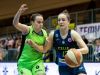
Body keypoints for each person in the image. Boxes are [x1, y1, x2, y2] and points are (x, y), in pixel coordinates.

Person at [26, 10, 89, 75]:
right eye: (59, 20)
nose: (61, 22)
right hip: (63, 66)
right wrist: (33, 45)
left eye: (63, 20)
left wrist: (74, 51)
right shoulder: (53, 35)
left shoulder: (73, 33)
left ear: (68, 22)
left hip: (76, 63)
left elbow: (86, 49)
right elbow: (44, 50)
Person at [13, 4, 47, 75]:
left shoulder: (44, 33)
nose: (41, 24)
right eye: (38, 22)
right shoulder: (27, 30)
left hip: (37, 61)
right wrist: (19, 12)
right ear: (32, 22)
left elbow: (44, 49)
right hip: (24, 63)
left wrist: (33, 45)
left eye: (42, 22)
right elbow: (15, 24)